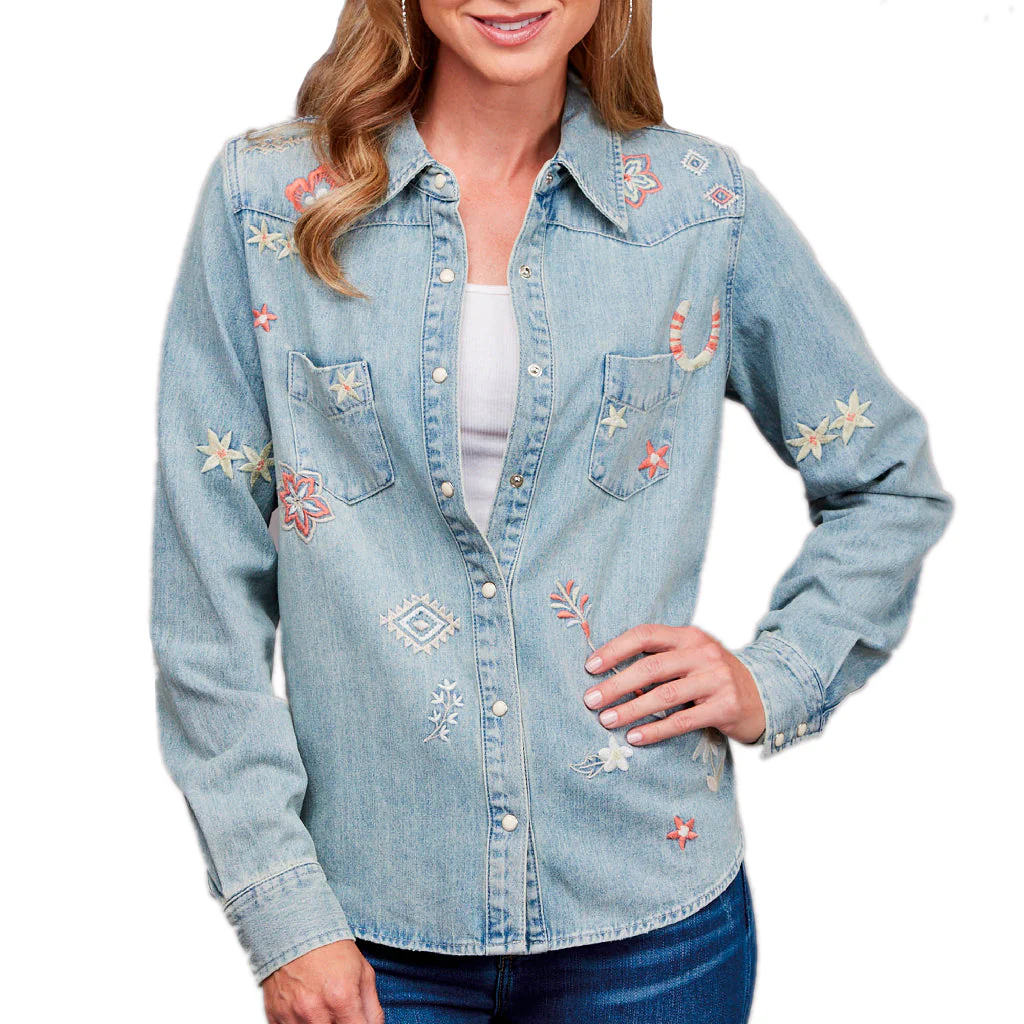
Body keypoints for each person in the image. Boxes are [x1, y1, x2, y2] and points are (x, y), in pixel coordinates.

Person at [149, 2, 954, 1021]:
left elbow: (886, 480)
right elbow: (204, 599)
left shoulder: (700, 207)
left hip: (651, 928)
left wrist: (775, 675)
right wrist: (282, 910)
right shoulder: (268, 202)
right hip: (368, 926)